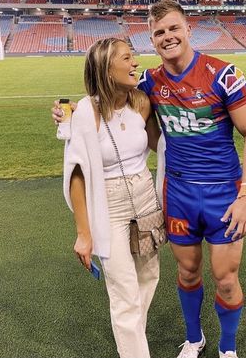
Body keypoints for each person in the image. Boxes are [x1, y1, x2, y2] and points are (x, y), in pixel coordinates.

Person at [54, 0, 246, 358]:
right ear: (151, 39)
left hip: (223, 192)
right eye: (158, 32)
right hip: (178, 191)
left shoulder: (223, 75)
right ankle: (194, 339)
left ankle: (227, 347)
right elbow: (107, 99)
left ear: (188, 29)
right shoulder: (150, 82)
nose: (167, 37)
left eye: (173, 28)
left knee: (226, 279)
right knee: (186, 272)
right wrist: (68, 113)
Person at [63, 37, 161, 358]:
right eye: (126, 58)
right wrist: (83, 233)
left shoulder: (142, 103)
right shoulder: (86, 112)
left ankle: (131, 338)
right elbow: (77, 174)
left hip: (145, 198)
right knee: (124, 291)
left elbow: (161, 145)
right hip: (109, 206)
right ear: (107, 70)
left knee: (148, 277)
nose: (135, 63)